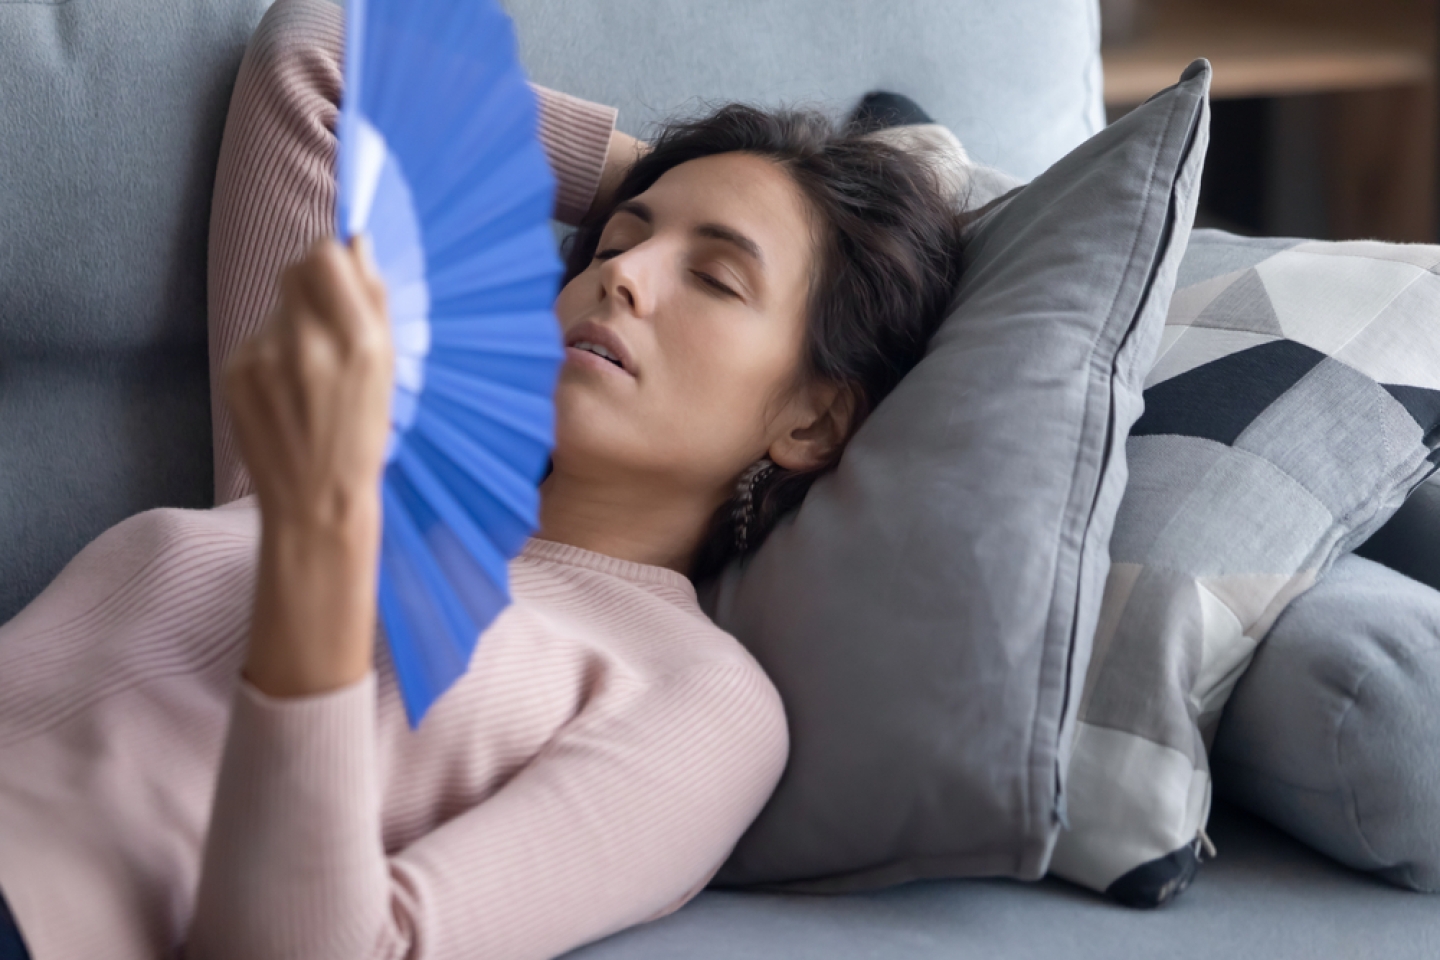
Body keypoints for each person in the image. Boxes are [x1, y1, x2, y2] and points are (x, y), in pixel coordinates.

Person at [0, 0, 966, 957]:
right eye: (615, 247)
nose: (618, 277)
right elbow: (321, 56)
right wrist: (686, 176)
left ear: (814, 419)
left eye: (716, 277)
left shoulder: (702, 698)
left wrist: (318, 563)